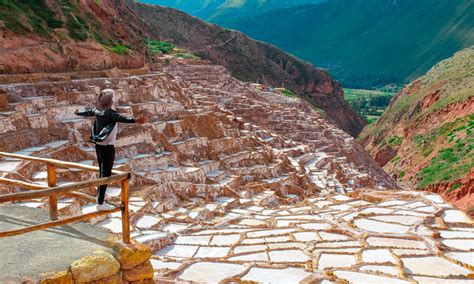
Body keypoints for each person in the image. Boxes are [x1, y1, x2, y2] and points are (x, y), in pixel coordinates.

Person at [75, 89, 147, 211]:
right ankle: (101, 203)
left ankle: (99, 198)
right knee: (106, 175)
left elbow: (87, 112)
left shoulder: (97, 111)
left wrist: (78, 113)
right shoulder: (110, 114)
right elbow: (122, 118)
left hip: (98, 146)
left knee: (101, 171)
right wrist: (136, 120)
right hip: (108, 148)